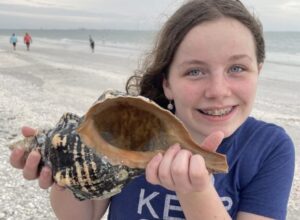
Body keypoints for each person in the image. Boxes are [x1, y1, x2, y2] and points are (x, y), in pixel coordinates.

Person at [10, 0, 295, 219]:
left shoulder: (269, 148)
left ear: (258, 71)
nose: (218, 91)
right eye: (195, 71)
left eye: (237, 68)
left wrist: (195, 192)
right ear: (167, 83)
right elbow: (82, 215)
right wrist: (62, 172)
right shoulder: (129, 131)